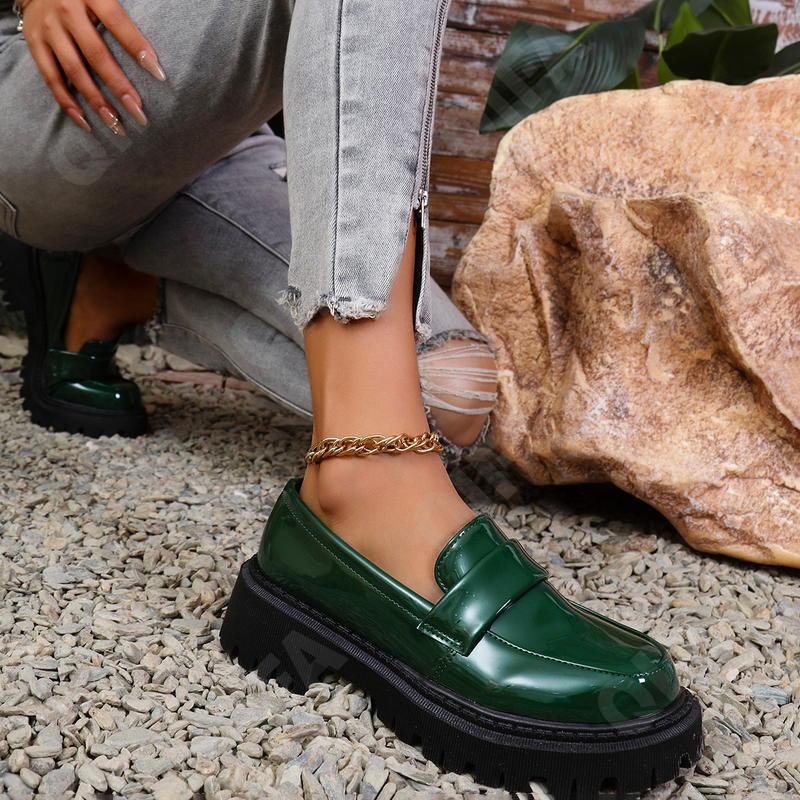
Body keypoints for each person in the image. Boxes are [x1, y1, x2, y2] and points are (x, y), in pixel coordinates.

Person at [0, 1, 701, 796]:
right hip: (51, 103)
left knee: (449, 394)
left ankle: (116, 288)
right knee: (385, 420)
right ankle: (368, 482)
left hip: (213, 132)